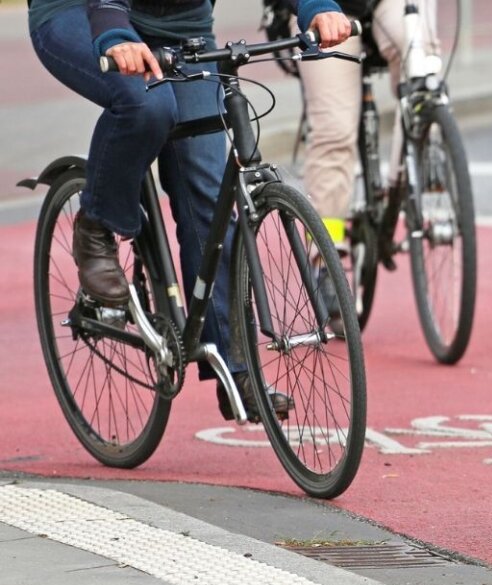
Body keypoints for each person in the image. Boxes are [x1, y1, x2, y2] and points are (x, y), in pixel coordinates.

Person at [28, 0, 351, 421]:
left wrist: (317, 6)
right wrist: (113, 32)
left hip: (181, 26)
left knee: (207, 190)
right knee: (146, 106)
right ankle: (96, 227)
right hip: (80, 11)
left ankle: (236, 369)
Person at [290, 0, 440, 263]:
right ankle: (325, 256)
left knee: (424, 70)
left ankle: (405, 179)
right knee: (333, 129)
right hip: (322, 6)